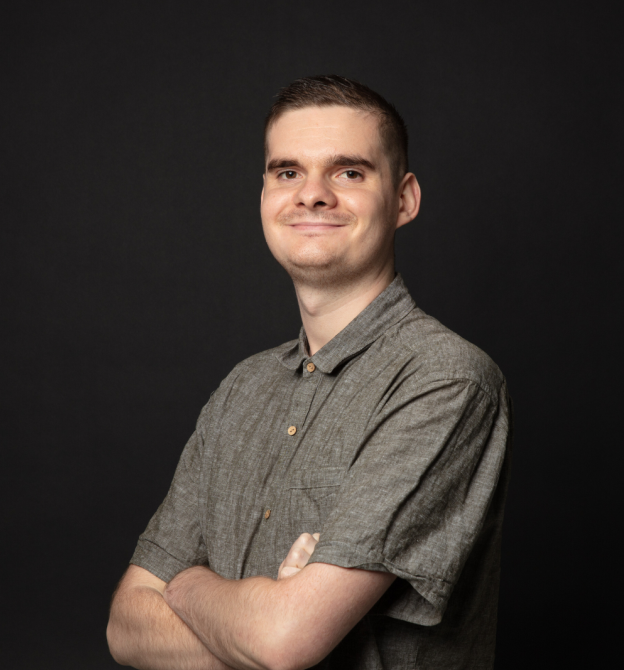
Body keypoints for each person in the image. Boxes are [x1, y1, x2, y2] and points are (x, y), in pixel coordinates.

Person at [107, 75, 513, 670]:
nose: (312, 195)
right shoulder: (242, 389)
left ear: (404, 200)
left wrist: (187, 585)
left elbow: (285, 640)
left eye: (348, 172)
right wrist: (260, 618)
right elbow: (125, 626)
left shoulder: (444, 381)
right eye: (288, 172)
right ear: (265, 194)